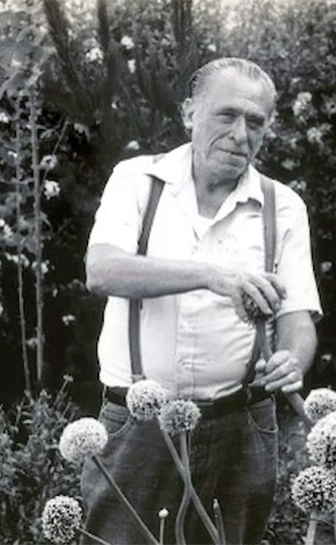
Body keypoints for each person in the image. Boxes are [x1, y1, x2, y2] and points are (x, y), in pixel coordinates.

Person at [82, 57, 322, 545]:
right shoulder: (137, 181)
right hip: (138, 426)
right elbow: (102, 271)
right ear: (190, 113)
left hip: (240, 425)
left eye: (255, 122)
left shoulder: (283, 206)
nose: (240, 134)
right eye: (226, 115)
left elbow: (299, 318)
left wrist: (292, 361)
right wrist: (211, 275)